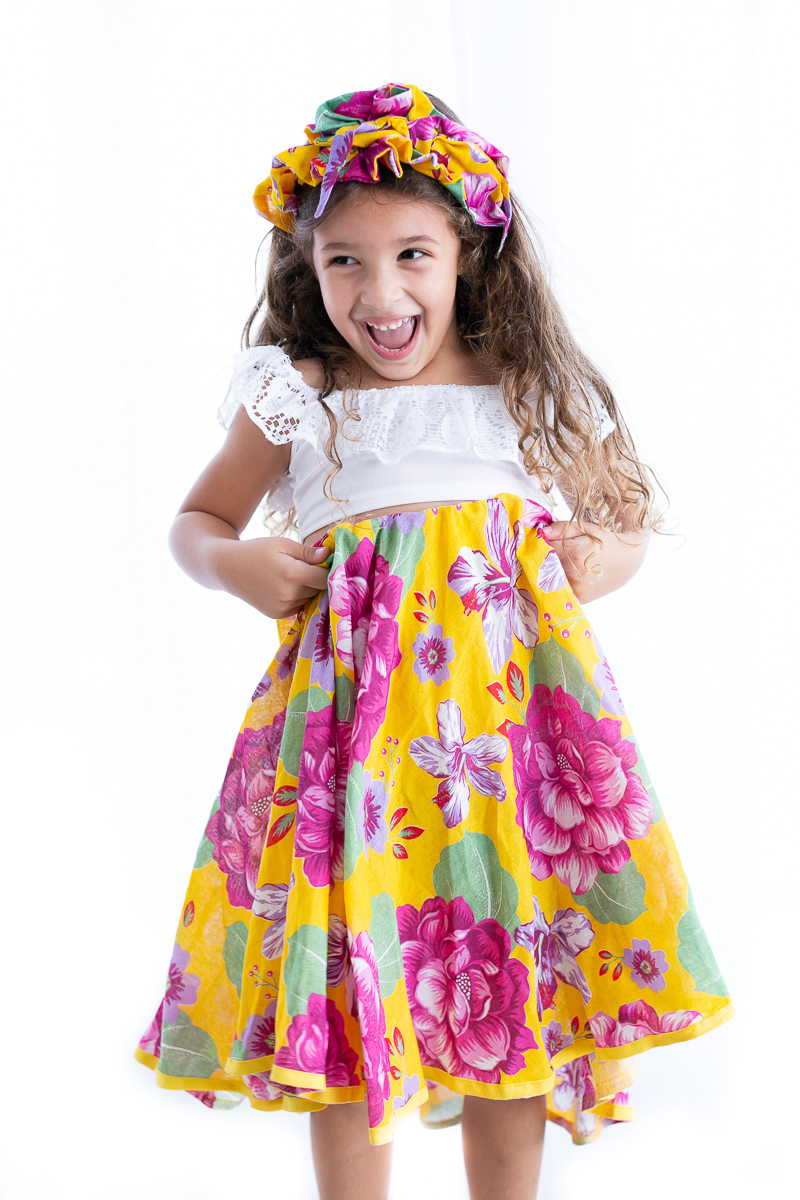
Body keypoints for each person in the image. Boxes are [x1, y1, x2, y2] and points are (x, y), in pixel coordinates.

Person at [135, 83, 733, 1200]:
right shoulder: (301, 392)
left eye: (412, 254)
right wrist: (232, 563)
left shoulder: (520, 389)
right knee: (348, 981)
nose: (381, 291)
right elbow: (197, 519)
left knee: (511, 983)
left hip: (509, 751)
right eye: (344, 262)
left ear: (467, 255)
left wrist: (604, 558)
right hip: (352, 754)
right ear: (308, 269)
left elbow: (620, 523)